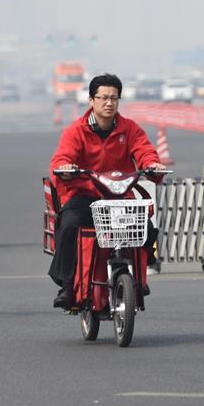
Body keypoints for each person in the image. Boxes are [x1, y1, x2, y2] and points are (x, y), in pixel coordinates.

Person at [49, 73, 167, 309]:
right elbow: (61, 158)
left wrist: (152, 165)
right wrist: (65, 168)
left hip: (120, 196)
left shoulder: (130, 129)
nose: (109, 103)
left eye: (114, 98)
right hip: (85, 196)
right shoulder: (76, 131)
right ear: (91, 100)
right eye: (103, 97)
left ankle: (139, 277)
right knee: (69, 225)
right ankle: (67, 286)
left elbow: (144, 151)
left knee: (145, 227)